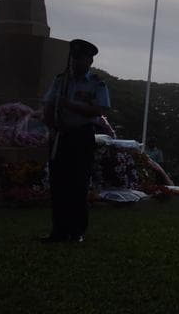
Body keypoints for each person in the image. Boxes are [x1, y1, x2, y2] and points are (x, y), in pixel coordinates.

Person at [41, 38, 110, 244]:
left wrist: (71, 106)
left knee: (78, 184)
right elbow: (48, 105)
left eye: (80, 59)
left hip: (82, 135)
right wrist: (52, 127)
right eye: (73, 58)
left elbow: (100, 110)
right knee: (58, 183)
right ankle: (58, 230)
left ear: (89, 61)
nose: (75, 63)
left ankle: (77, 231)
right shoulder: (60, 80)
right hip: (60, 135)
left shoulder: (97, 83)